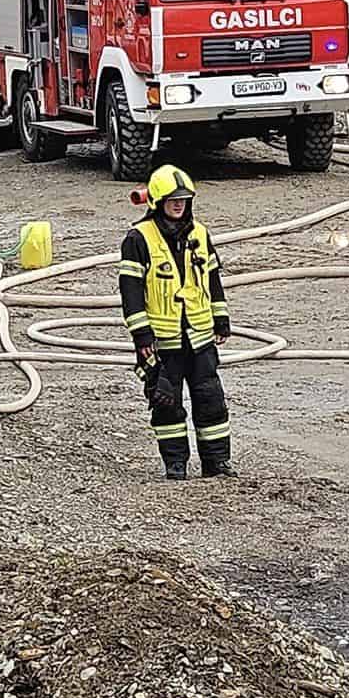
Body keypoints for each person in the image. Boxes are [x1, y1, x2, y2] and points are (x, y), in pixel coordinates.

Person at [118, 165, 232, 479]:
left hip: (199, 336)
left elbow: (212, 278)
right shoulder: (138, 239)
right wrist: (141, 335)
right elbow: (130, 291)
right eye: (172, 199)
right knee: (167, 404)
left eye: (183, 199)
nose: (179, 204)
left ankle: (217, 463)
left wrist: (220, 319)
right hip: (162, 340)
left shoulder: (200, 233)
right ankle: (176, 464)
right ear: (156, 201)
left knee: (211, 401)